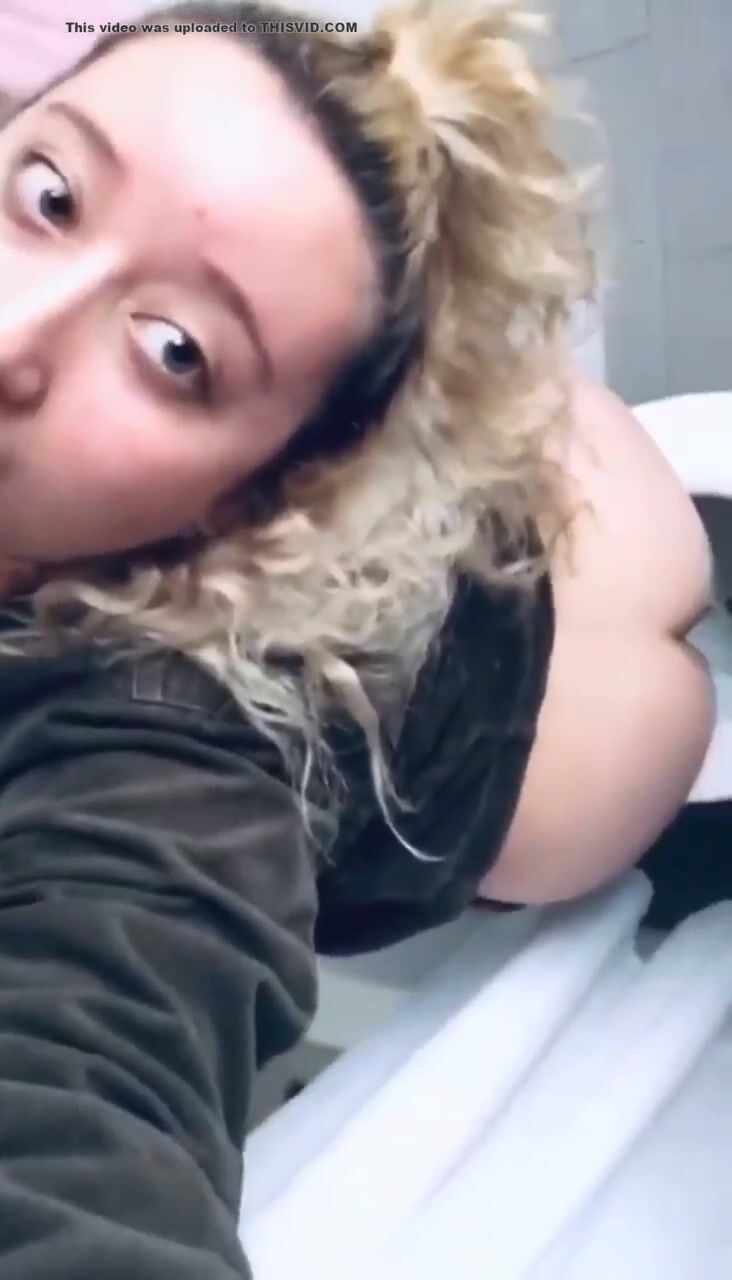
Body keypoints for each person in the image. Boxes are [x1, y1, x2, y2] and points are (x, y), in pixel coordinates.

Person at [0, 2, 715, 1275]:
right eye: (49, 193)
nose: (12, 332)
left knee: (667, 647)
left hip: (537, 734)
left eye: (175, 352)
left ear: (251, 502)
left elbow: (86, 1096)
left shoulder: (157, 751)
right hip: (497, 479)